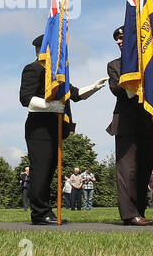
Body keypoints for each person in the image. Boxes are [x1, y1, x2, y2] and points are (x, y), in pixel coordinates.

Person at [19, 34, 105, 225]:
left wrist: (95, 87)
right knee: (40, 171)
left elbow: (74, 94)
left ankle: (45, 211)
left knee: (48, 172)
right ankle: (39, 213)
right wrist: (52, 107)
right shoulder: (32, 69)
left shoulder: (57, 74)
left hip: (54, 130)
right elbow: (26, 99)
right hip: (38, 129)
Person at [107, 26, 153, 226]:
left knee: (144, 169)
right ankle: (129, 214)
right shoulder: (115, 65)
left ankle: (139, 211)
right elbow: (116, 88)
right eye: (116, 38)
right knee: (128, 171)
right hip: (126, 123)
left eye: (122, 37)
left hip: (148, 121)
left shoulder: (152, 63)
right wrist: (136, 82)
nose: (118, 41)